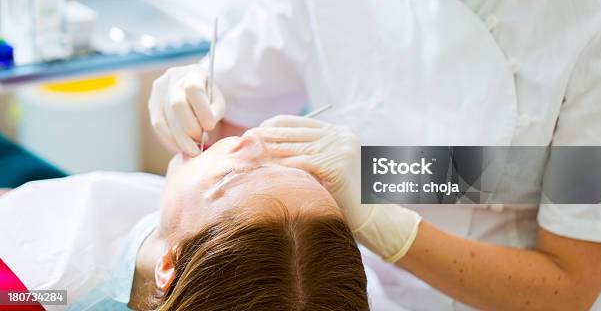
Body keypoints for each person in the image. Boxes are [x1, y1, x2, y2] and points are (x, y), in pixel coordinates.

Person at [148, 0, 601, 308]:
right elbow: (224, 114)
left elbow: (567, 287)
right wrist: (188, 96)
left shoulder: (593, 15)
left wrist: (383, 218)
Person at [0, 131, 369, 310]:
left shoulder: (42, 288)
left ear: (168, 264)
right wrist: (377, 176)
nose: (254, 138)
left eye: (228, 179)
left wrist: (397, 224)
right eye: (306, 174)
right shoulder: (307, 271)